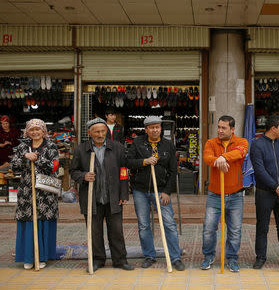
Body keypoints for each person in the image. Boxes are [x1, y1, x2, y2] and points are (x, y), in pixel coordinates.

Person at [70, 117, 133, 272]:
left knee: (116, 231)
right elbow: (73, 171)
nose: (100, 134)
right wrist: (83, 176)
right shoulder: (81, 149)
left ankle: (120, 260)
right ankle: (98, 260)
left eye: (103, 131)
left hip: (113, 197)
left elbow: (124, 171)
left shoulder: (117, 147)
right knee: (94, 231)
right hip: (92, 198)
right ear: (89, 133)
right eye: (96, 131)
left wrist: (124, 193)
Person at [127, 116, 185, 271]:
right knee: (144, 225)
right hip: (140, 190)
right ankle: (149, 256)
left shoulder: (168, 145)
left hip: (160, 190)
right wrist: (144, 161)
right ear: (146, 129)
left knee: (169, 224)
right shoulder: (138, 143)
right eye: (151, 127)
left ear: (160, 128)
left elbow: (173, 171)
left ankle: (175, 257)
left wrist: (167, 192)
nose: (155, 130)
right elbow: (128, 162)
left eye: (157, 127)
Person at [250, 115, 279, 271]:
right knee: (262, 227)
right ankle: (261, 257)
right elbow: (259, 170)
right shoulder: (257, 145)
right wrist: (275, 186)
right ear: (273, 128)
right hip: (265, 193)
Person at [201, 115, 248, 272]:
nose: (220, 130)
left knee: (235, 230)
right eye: (219, 127)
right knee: (209, 228)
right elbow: (207, 158)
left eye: (224, 128)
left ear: (232, 129)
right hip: (215, 194)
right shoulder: (211, 142)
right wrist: (216, 160)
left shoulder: (242, 142)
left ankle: (232, 259)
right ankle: (208, 256)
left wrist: (222, 157)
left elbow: (239, 153)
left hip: (235, 195)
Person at [11, 119, 59, 269]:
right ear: (27, 132)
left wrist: (37, 158)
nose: (35, 132)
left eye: (38, 129)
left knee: (43, 221)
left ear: (43, 131)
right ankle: (28, 257)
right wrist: (25, 157)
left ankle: (42, 256)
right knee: (29, 222)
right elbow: (14, 167)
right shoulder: (22, 147)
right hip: (27, 192)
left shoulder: (51, 147)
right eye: (31, 129)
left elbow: (53, 167)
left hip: (45, 193)